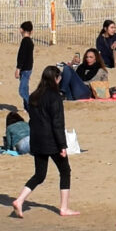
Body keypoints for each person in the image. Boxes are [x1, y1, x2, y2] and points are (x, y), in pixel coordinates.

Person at [11, 66, 76, 218]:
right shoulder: (55, 97)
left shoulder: (34, 95)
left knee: (40, 174)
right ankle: (64, 208)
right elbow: (57, 123)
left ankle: (20, 200)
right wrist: (62, 146)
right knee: (65, 171)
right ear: (56, 79)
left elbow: (33, 121)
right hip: (51, 141)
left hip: (37, 139)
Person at [17, 20, 36, 107]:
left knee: (22, 90)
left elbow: (22, 56)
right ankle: (26, 106)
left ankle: (31, 105)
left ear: (21, 30)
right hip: (28, 68)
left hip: (24, 69)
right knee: (26, 88)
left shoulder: (25, 41)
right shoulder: (30, 42)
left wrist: (18, 68)